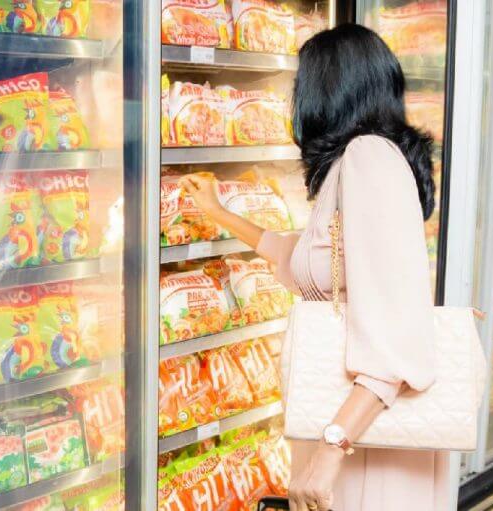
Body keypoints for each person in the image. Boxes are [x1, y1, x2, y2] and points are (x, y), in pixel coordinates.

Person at [180, 23, 448, 511]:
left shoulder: (369, 158)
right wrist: (219, 214)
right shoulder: (357, 162)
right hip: (351, 427)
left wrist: (331, 447)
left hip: (363, 437)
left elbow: (395, 331)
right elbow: (303, 258)